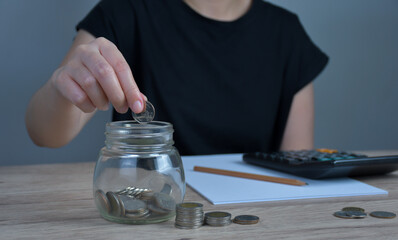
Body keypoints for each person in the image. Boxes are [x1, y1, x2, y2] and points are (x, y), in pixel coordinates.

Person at [25, 0, 328, 155]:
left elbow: (295, 166)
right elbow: (45, 133)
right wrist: (62, 89)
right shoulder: (125, 11)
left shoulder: (287, 35)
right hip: (149, 208)